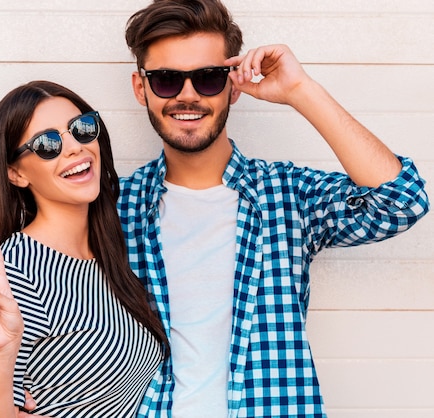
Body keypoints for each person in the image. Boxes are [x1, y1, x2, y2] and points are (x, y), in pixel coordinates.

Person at [116, 0, 430, 417]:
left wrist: (301, 91)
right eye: (167, 80)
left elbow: (401, 201)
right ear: (141, 88)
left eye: (209, 78)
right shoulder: (113, 207)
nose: (187, 96)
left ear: (233, 85)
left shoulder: (287, 194)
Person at [0, 80, 168, 418]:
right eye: (47, 144)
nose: (73, 148)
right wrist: (1, 350)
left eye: (81, 129)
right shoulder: (17, 271)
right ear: (15, 173)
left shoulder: (108, 253)